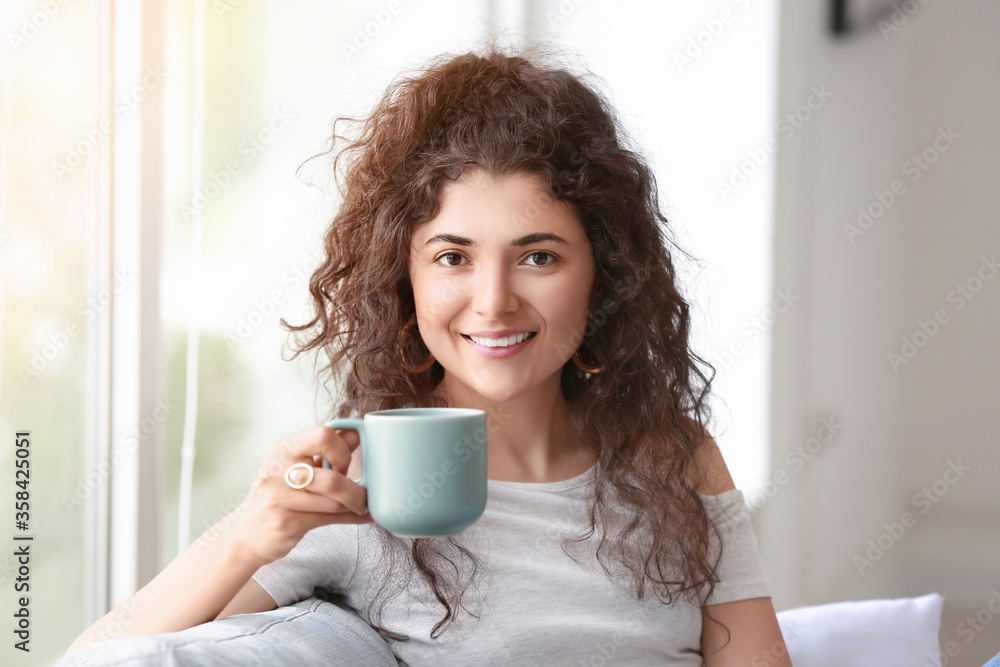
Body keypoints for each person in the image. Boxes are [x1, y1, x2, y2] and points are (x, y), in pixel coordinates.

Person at [64, 42, 791, 666]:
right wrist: (247, 536)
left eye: (538, 256)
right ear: (402, 276)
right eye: (453, 257)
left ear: (602, 271)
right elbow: (96, 659)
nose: (494, 300)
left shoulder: (677, 460)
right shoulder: (364, 491)